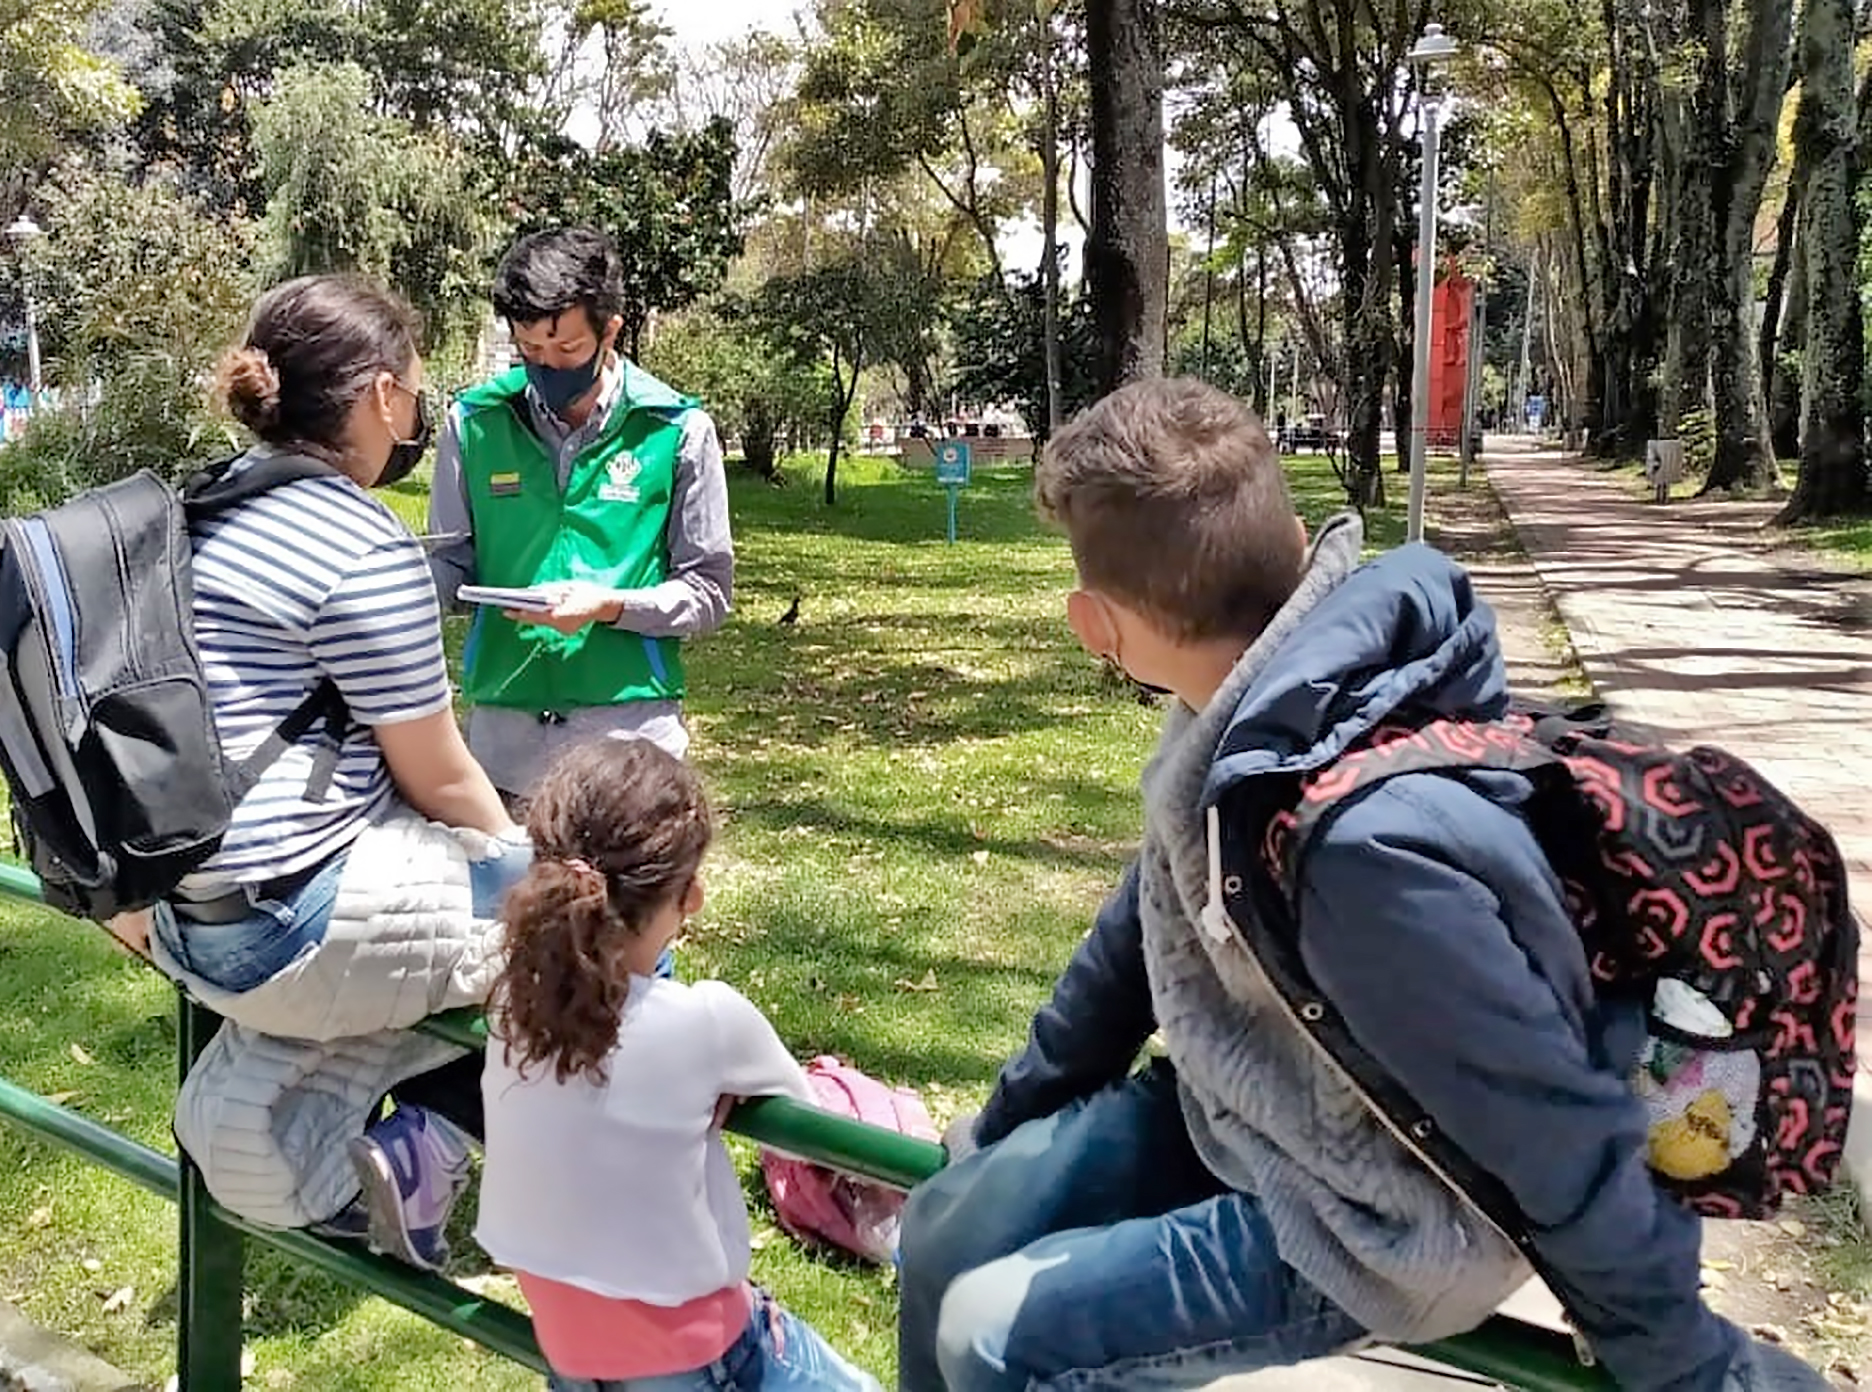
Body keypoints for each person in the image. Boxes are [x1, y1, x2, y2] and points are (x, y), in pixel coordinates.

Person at [895, 379, 1828, 1392]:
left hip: (1387, 1220)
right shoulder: (1258, 703)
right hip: (1265, 1106)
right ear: (1291, 537)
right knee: (947, 1224)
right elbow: (1137, 937)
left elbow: (1547, 1119)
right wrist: (1009, 1122)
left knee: (995, 1339)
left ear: (1097, 629)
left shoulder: (1359, 854)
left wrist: (1682, 1360)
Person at [133, 274, 533, 1272]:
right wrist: (532, 873)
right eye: (414, 389)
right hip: (296, 925)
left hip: (182, 915)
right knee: (590, 922)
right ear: (382, 396)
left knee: (495, 911)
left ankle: (319, 1122)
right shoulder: (359, 542)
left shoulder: (192, 511)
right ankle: (445, 1146)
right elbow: (443, 779)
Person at [476, 739, 880, 1392]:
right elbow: (801, 1114)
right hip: (701, 1354)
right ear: (689, 896)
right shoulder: (708, 1020)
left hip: (570, 1357)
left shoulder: (508, 1010)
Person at [427, 227, 733, 803]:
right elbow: (450, 563)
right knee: (510, 897)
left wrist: (611, 607)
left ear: (610, 330)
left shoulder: (675, 430)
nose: (548, 366)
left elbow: (709, 592)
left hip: (632, 751)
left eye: (567, 350)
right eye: (531, 350)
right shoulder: (473, 424)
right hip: (503, 751)